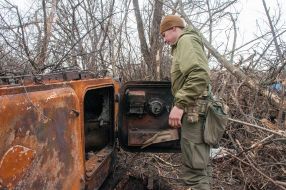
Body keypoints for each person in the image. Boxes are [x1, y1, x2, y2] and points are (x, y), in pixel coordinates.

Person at [160, 15, 211, 190]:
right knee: (199, 165)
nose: (164, 40)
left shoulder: (186, 41)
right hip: (195, 110)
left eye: (164, 35)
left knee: (194, 170)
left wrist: (179, 105)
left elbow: (199, 75)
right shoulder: (183, 43)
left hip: (193, 110)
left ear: (174, 28)